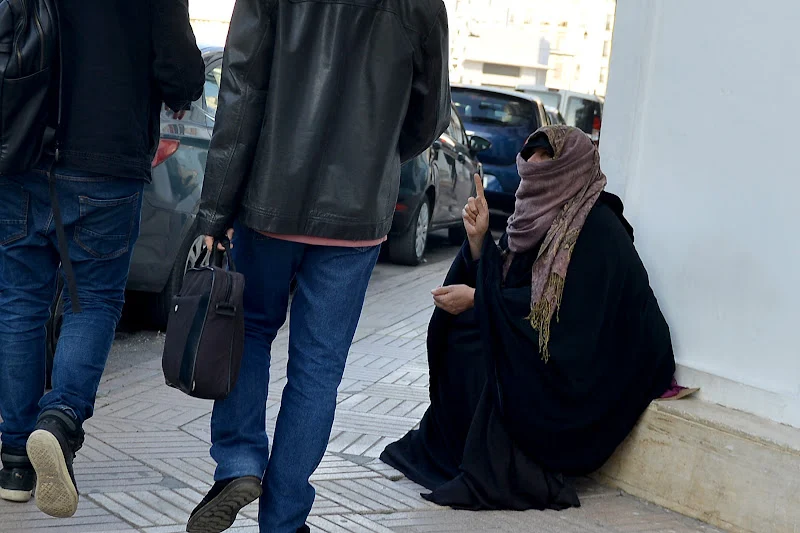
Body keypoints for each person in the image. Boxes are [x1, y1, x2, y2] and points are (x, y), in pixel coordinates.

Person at [190, 1, 451, 532]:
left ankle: (239, 463)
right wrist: (374, 157)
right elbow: (431, 113)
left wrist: (215, 212)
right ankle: (283, 519)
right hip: (357, 217)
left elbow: (241, 93)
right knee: (318, 369)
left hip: (271, 198)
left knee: (249, 330)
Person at [381, 125, 677, 511]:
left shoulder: (599, 227)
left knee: (496, 346)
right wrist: (478, 241)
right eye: (529, 161)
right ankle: (461, 451)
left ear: (569, 169)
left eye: (545, 164)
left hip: (606, 364)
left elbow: (572, 316)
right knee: (464, 335)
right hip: (555, 337)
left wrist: (479, 300)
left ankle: (508, 464)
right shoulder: (532, 217)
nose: (532, 173)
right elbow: (511, 282)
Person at [0, 0, 204, 519]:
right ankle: (60, 420)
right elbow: (178, 66)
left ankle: (14, 462)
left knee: (20, 303)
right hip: (106, 158)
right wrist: (178, 93)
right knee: (91, 302)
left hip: (21, 148)